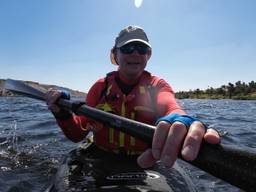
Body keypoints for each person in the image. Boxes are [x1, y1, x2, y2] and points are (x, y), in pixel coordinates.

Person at [45, 25, 220, 169]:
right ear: (116, 55)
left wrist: (180, 119)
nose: (135, 53)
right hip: (100, 155)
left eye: (141, 49)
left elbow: (171, 106)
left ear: (148, 55)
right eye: (127, 48)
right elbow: (77, 135)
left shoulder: (157, 85)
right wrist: (63, 113)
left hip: (144, 160)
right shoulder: (100, 87)